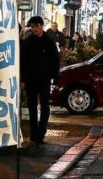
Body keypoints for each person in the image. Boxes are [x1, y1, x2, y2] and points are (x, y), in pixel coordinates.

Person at [20, 16, 60, 144]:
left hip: (44, 79)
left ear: (42, 26)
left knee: (44, 106)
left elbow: (55, 60)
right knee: (32, 106)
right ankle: (33, 132)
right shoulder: (28, 42)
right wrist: (23, 79)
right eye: (32, 26)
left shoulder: (49, 42)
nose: (35, 28)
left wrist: (55, 76)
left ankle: (41, 132)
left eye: (37, 26)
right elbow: (23, 62)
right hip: (31, 79)